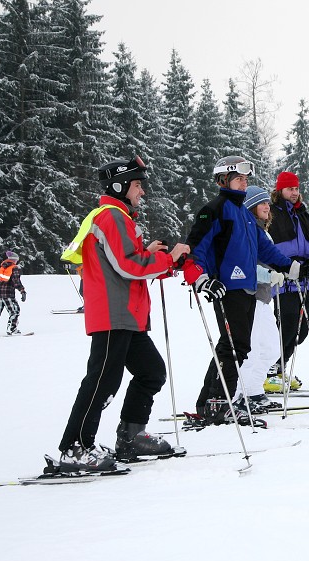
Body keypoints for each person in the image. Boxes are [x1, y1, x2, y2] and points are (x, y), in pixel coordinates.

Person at [56, 157, 190, 472]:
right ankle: (74, 449)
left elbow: (130, 261)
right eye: (138, 185)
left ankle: (131, 435)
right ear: (120, 186)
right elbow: (128, 266)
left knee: (151, 372)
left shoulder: (118, 218)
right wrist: (168, 257)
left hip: (128, 316)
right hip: (114, 314)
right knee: (102, 381)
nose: (141, 192)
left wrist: (158, 258)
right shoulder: (111, 217)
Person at [184, 156, 299, 424]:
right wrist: (200, 279)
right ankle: (219, 404)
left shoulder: (245, 216)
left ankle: (210, 402)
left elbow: (266, 249)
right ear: (223, 181)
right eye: (239, 179)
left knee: (237, 346)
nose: (244, 183)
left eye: (246, 179)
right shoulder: (213, 210)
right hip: (226, 289)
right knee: (233, 347)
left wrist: (292, 266)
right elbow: (195, 248)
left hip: (246, 289)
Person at [264, 171, 309, 389]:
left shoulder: (304, 215)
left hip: (307, 278)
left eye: (296, 188)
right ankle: (270, 369)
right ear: (280, 190)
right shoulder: (272, 213)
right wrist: (287, 264)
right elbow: (267, 244)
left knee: (301, 330)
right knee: (287, 325)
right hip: (285, 278)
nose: (294, 192)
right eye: (290, 188)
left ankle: (280, 368)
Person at [236, 185, 286, 411]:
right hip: (249, 296)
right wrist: (269, 274)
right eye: (261, 203)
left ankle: (255, 390)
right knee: (253, 350)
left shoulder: (262, 232)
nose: (267, 206)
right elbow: (243, 265)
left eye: (267, 202)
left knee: (272, 349)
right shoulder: (244, 231)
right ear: (249, 207)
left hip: (264, 297)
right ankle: (242, 395)